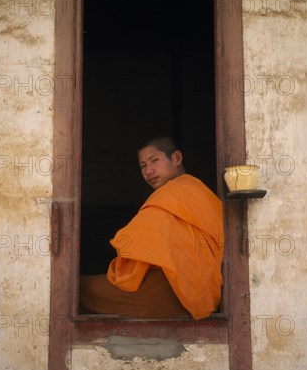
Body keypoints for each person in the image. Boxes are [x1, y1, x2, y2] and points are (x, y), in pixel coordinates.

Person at [80, 137, 224, 320]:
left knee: (76, 290)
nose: (149, 171)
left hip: (169, 294)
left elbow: (132, 252)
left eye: (154, 160)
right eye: (142, 166)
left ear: (177, 158)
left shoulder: (171, 193)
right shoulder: (200, 190)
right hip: (203, 295)